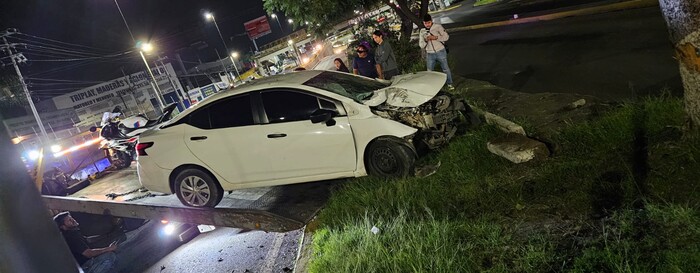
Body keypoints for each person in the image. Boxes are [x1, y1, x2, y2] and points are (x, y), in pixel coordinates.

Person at [54, 212, 118, 273]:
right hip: (84, 267)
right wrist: (108, 249)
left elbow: (87, 240)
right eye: (69, 220)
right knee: (110, 256)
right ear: (63, 227)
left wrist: (107, 235)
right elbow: (88, 253)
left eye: (71, 218)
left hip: (85, 265)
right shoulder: (71, 236)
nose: (73, 220)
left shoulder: (71, 233)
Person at [419, 14, 454, 90]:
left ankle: (450, 84)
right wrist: (425, 40)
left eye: (428, 22)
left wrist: (436, 37)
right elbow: (421, 45)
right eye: (425, 23)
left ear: (431, 21)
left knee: (445, 69)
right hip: (429, 53)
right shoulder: (422, 31)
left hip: (440, 51)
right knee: (430, 71)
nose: (427, 25)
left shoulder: (438, 27)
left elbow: (446, 37)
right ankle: (433, 86)